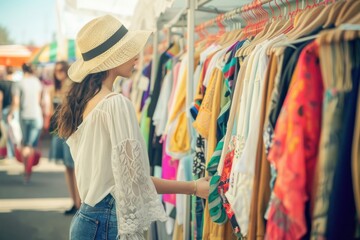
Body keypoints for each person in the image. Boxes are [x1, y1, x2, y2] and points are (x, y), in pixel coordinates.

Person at [55, 15, 210, 239]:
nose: (137, 55)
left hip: (86, 220)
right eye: (127, 50)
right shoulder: (115, 104)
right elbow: (136, 181)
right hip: (105, 224)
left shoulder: (84, 103)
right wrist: (194, 187)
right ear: (111, 59)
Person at [49, 61, 81, 214]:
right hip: (58, 131)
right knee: (67, 167)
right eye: (56, 70)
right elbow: (51, 111)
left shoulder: (71, 86)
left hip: (70, 131)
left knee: (74, 167)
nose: (58, 72)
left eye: (61, 69)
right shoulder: (53, 89)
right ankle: (74, 202)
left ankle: (79, 204)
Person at [17, 63, 43, 183]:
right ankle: (29, 170)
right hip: (36, 115)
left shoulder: (20, 83)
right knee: (32, 145)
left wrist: (12, 114)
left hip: (24, 115)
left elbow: (16, 102)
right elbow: (39, 100)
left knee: (25, 144)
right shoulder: (37, 82)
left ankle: (25, 169)